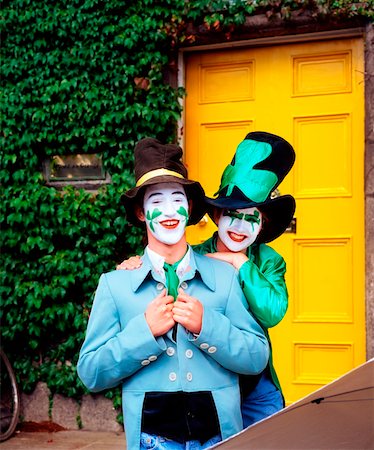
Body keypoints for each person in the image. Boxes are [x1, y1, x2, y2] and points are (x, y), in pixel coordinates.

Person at [77, 137, 270, 450]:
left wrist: (208, 326)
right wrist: (144, 332)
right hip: (151, 439)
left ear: (189, 207)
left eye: (176, 199)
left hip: (220, 436)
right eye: (156, 202)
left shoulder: (224, 277)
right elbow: (91, 372)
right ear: (141, 212)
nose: (168, 211)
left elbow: (257, 358)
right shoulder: (115, 284)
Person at [117, 131, 296, 428]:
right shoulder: (194, 255)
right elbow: (163, 281)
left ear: (263, 224)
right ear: (215, 215)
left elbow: (272, 311)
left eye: (252, 218)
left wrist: (240, 263)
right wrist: (134, 264)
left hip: (257, 383)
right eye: (232, 215)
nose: (240, 226)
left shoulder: (269, 261)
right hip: (210, 379)